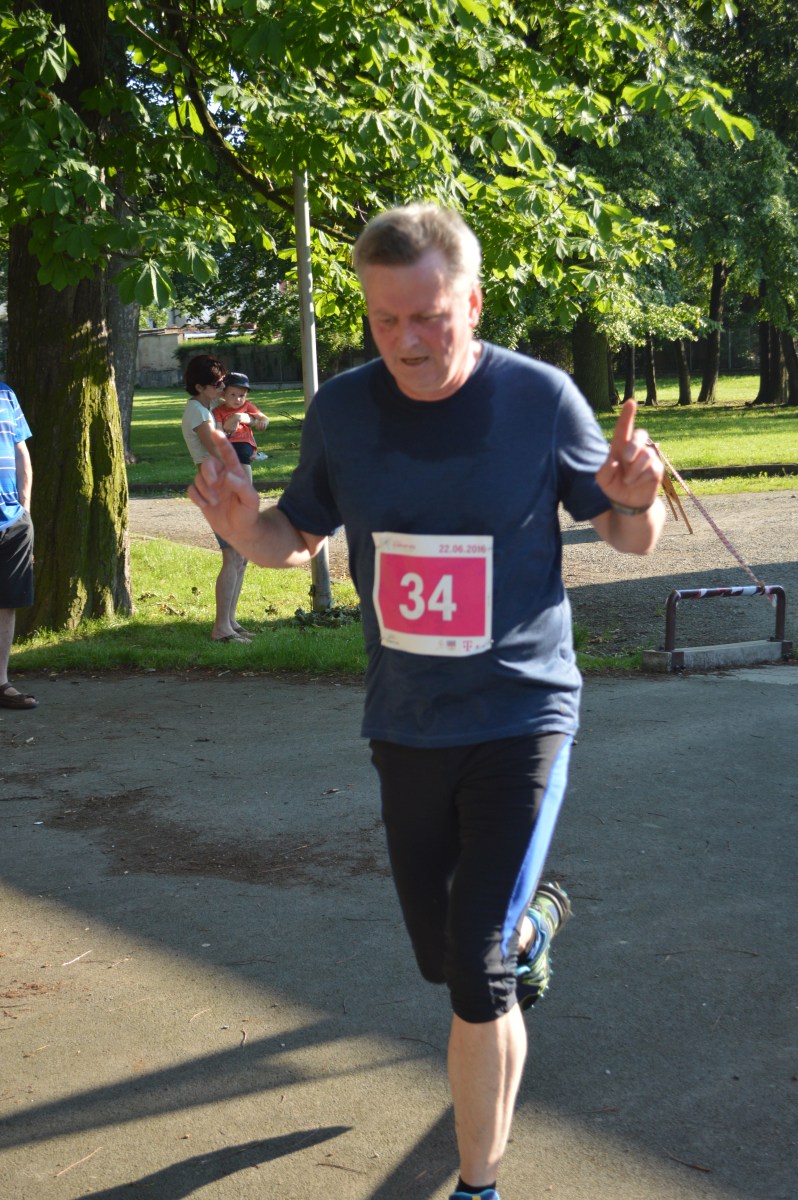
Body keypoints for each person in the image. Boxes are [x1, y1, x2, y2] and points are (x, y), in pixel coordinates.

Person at [188, 204, 666, 1200]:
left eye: (429, 318)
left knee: (473, 967)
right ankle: (532, 927)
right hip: (405, 720)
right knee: (448, 956)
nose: (406, 341)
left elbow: (629, 538)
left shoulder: (539, 399)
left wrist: (634, 499)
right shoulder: (345, 410)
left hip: (524, 716)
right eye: (384, 319)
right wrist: (240, 525)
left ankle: (479, 1184)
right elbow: (293, 540)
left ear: (473, 304)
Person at [181, 354, 252, 643]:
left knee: (241, 556)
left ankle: (230, 621)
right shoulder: (197, 413)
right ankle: (221, 627)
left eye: (223, 381)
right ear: (200, 387)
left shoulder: (207, 408)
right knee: (232, 555)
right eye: (218, 383)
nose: (223, 387)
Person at [0, 379, 36, 710]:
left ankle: (1, 682)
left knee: (6, 603)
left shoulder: (6, 394)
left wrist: (24, 509)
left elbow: (20, 449)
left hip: (12, 520)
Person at [213, 372, 269, 471]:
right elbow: (219, 429)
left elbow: (264, 418)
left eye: (242, 395)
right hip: (228, 441)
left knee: (241, 456)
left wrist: (263, 422)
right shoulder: (218, 410)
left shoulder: (247, 406)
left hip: (244, 440)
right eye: (233, 395)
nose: (238, 399)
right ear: (224, 394)